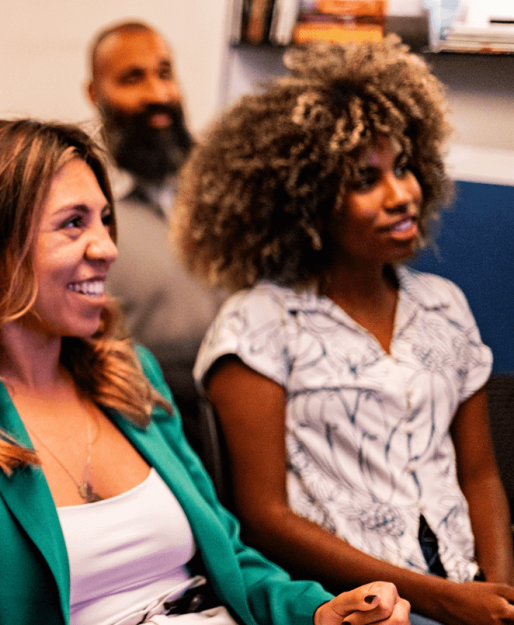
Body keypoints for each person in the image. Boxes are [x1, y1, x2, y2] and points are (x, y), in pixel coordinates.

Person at [0, 118, 409, 625]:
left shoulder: (129, 374)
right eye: (73, 224)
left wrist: (320, 612)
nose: (107, 247)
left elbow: (231, 560)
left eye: (106, 221)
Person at [176, 36, 513, 625]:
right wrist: (442, 601)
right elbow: (264, 518)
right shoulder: (257, 326)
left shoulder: (445, 306)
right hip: (363, 608)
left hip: (471, 590)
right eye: (366, 179)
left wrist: (499, 594)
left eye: (404, 168)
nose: (401, 195)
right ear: (307, 202)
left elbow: (479, 472)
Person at [86, 20, 225, 441]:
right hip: (141, 430)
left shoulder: (228, 188)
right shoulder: (88, 202)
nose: (158, 94)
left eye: (165, 74)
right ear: (95, 94)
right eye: (133, 78)